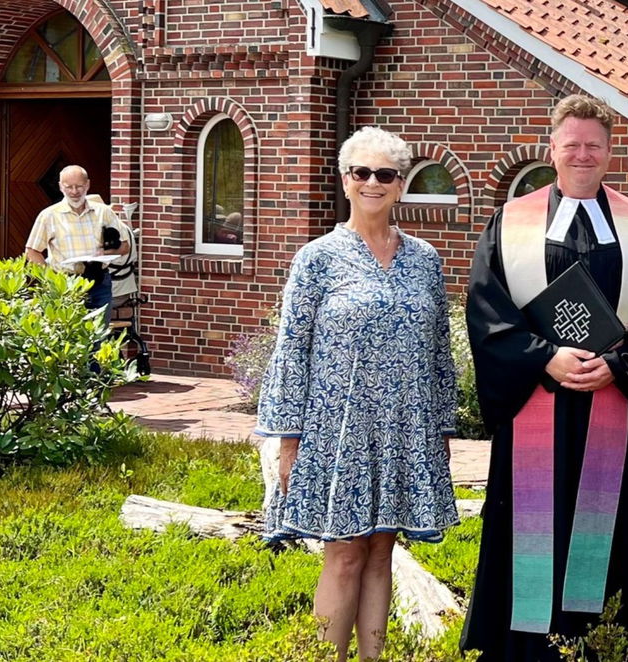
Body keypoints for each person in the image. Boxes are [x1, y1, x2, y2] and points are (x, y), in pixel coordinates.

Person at [461, 94, 628, 661]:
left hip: (613, 402)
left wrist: (619, 366)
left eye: (594, 146)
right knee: (529, 530)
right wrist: (543, 357)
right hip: (537, 398)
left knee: (608, 538)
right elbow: (486, 308)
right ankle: (523, 651)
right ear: (552, 148)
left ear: (610, 152)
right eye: (572, 144)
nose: (583, 154)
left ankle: (605, 647)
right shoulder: (513, 221)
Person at [254, 127, 459, 662]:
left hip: (404, 428)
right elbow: (291, 350)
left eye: (385, 174)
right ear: (345, 180)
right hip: (335, 428)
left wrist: (441, 430)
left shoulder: (425, 260)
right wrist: (288, 440)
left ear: (400, 185)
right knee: (343, 553)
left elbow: (440, 351)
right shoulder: (317, 258)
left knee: (381, 550)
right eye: (361, 172)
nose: (373, 182)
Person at [23, 166, 131, 318]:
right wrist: (50, 279)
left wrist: (105, 252)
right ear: (61, 187)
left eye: (79, 186)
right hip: (65, 283)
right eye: (69, 187)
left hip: (99, 282)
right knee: (68, 330)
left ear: (87, 185)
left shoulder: (104, 212)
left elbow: (125, 246)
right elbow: (32, 251)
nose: (74, 192)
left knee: (100, 330)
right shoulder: (49, 215)